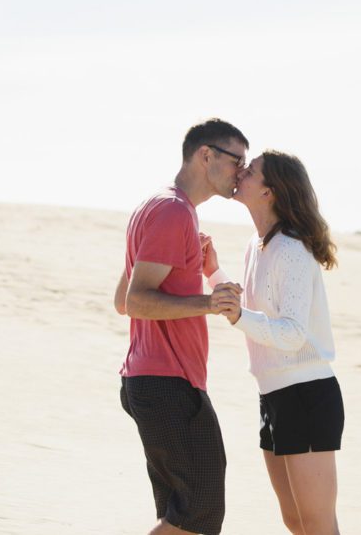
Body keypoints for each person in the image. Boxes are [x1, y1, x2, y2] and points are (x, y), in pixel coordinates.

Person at [114, 118, 247, 535]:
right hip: (166, 382)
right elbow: (136, 301)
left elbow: (122, 300)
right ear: (205, 155)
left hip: (155, 381)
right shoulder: (173, 212)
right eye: (236, 160)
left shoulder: (163, 207)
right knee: (199, 512)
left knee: (181, 515)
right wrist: (208, 302)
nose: (241, 172)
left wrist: (201, 268)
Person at [218, 150, 344, 535]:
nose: (240, 172)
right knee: (295, 521)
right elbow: (251, 310)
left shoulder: (290, 250)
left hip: (306, 394)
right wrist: (213, 272)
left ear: (269, 191)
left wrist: (237, 316)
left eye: (250, 170)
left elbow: (290, 334)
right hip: (273, 395)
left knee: (317, 524)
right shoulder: (256, 246)